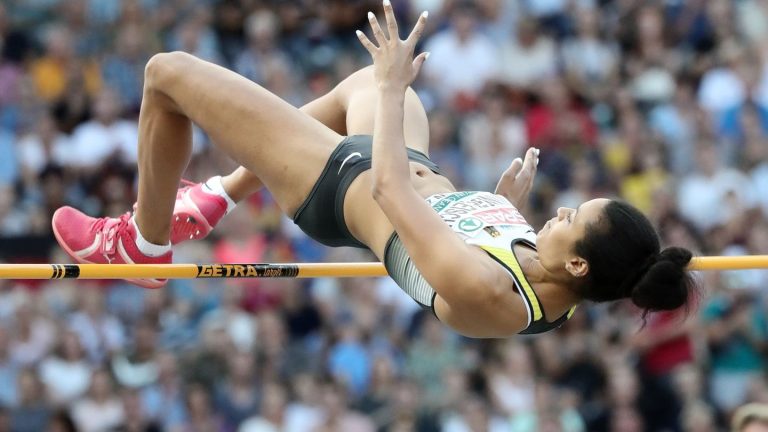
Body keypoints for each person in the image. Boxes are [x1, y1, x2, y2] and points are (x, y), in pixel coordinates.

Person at [52, 2, 696, 338]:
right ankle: (216, 196)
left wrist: (391, 93)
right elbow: (535, 264)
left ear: (579, 262)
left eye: (571, 219)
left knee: (167, 76)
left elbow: (391, 193)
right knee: (363, 81)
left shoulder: (488, 295)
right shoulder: (575, 279)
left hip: (343, 187)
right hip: (402, 162)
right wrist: (503, 211)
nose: (561, 212)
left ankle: (144, 241)